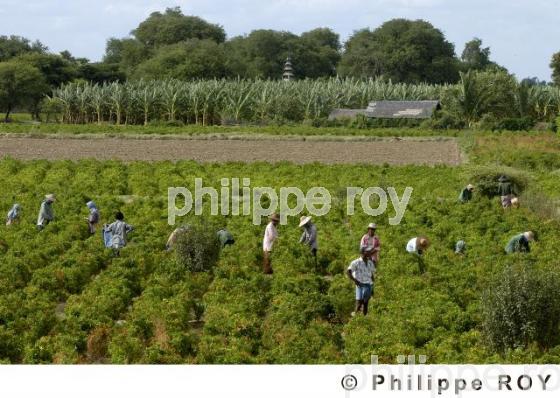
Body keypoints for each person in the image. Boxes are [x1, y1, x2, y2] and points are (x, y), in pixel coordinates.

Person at [347, 246, 376, 316]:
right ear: (362, 252)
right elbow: (348, 272)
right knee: (359, 303)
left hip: (368, 285)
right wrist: (355, 281)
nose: (369, 253)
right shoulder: (356, 262)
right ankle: (356, 319)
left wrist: (373, 285)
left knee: (365, 303)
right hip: (359, 285)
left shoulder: (370, 262)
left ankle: (363, 319)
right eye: (367, 251)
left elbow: (371, 274)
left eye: (369, 251)